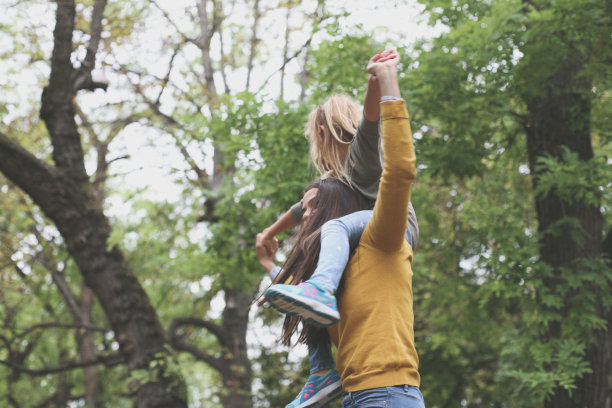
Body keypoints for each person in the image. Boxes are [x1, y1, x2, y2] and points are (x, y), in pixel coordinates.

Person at [257, 50, 424, 407]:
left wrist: (385, 81)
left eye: (312, 206)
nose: (305, 215)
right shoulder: (346, 262)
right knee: (311, 296)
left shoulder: (362, 165)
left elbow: (396, 163)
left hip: (387, 394)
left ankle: (318, 292)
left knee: (329, 242)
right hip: (357, 397)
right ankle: (321, 372)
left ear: (321, 132)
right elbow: (291, 296)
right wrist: (269, 259)